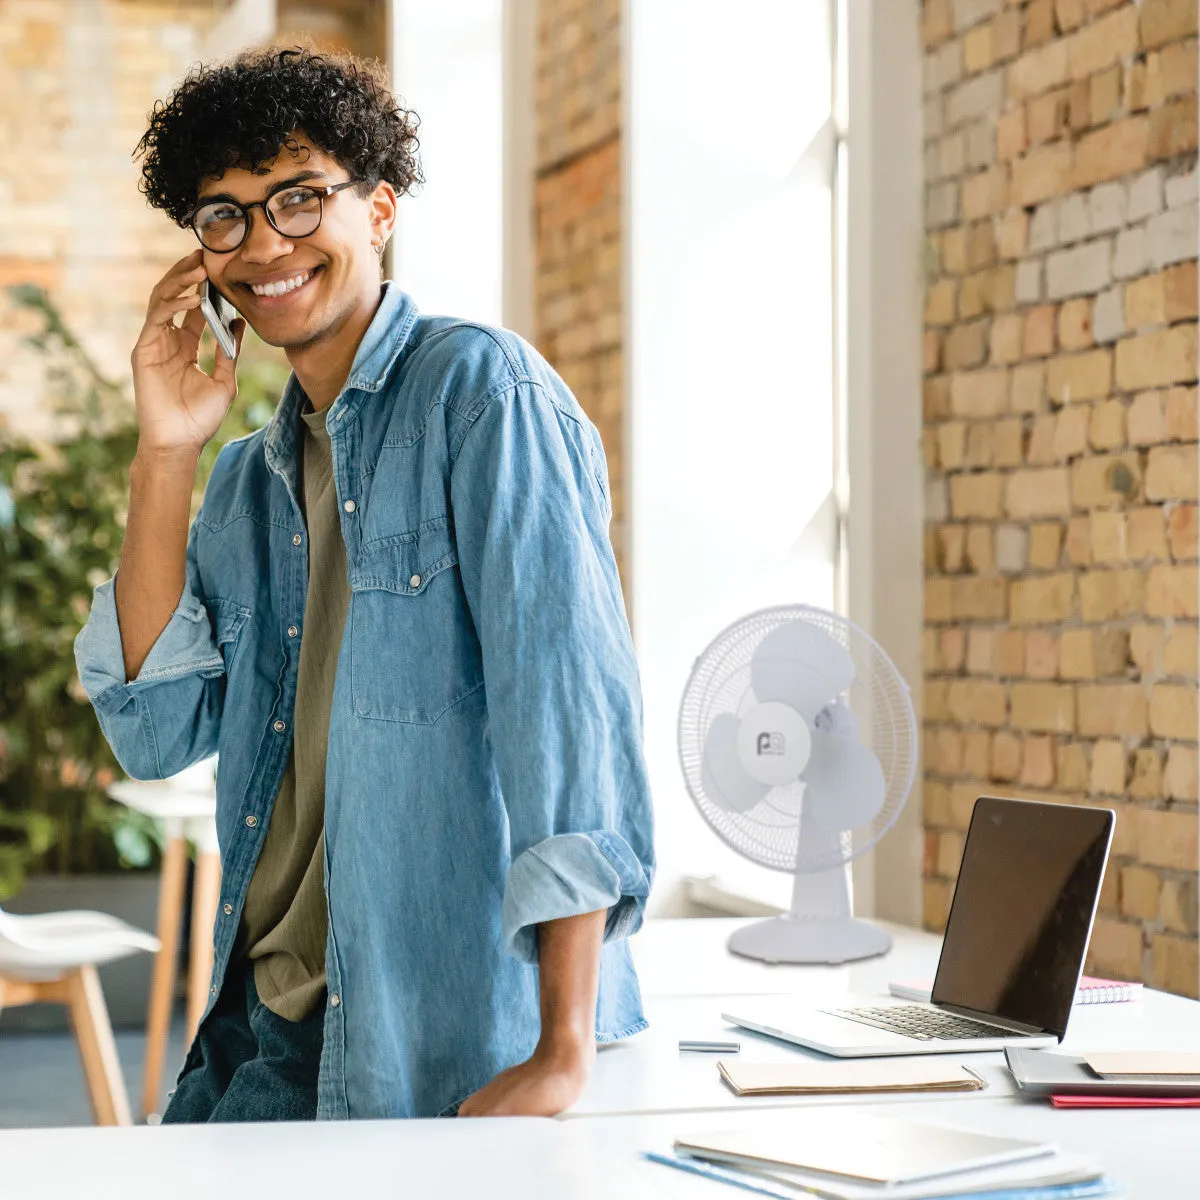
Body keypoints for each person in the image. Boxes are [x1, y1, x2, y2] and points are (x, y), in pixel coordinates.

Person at [74, 46, 654, 1123]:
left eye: (300, 199)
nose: (266, 243)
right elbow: (154, 729)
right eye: (226, 216)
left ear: (379, 209)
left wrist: (564, 1051)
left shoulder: (484, 396)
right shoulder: (248, 479)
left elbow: (564, 718)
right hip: (260, 1034)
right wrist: (166, 453)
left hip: (429, 1048)